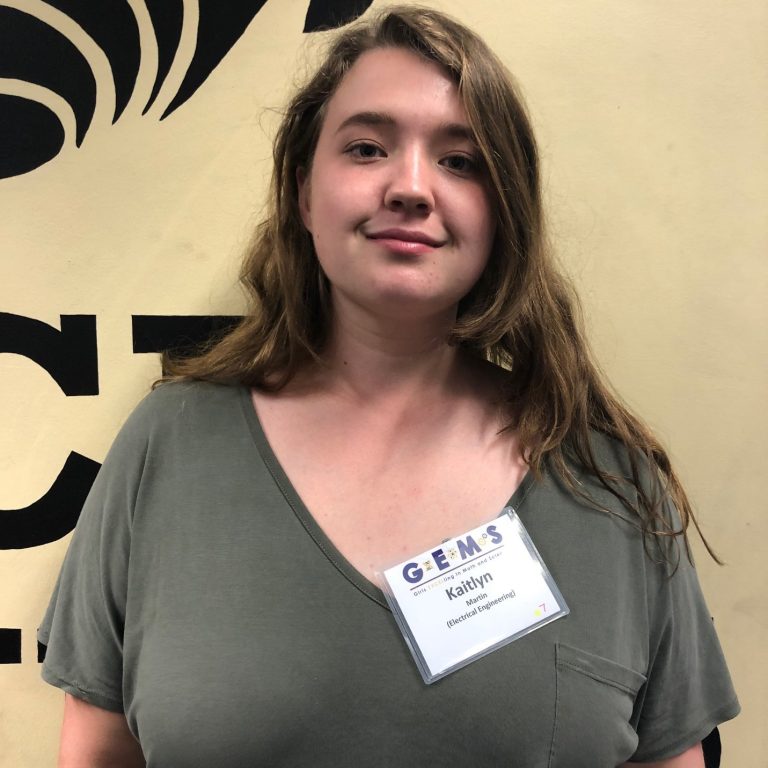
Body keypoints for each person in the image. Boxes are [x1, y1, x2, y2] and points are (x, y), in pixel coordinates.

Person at [38, 6, 739, 767]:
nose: (410, 187)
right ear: (305, 193)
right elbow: (97, 753)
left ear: (505, 210)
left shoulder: (611, 485)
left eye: (461, 161)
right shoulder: (167, 448)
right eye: (368, 148)